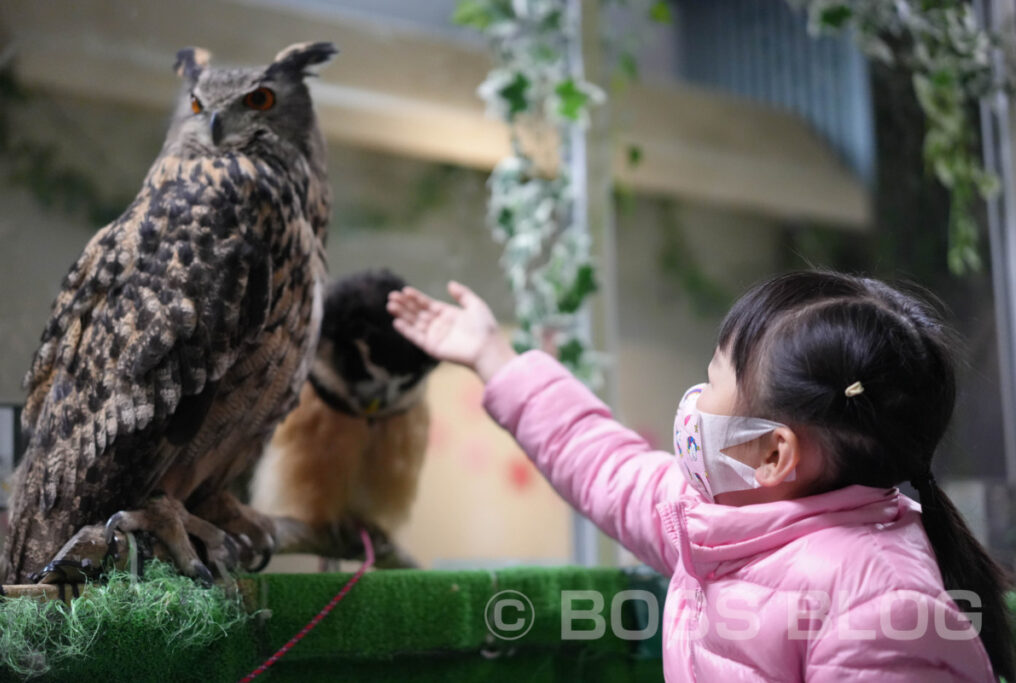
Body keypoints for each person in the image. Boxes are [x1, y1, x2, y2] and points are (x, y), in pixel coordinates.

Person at [387, 271, 1014, 682]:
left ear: (773, 454)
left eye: (712, 380)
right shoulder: (719, 520)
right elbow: (603, 463)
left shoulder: (885, 611)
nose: (693, 399)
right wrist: (494, 359)